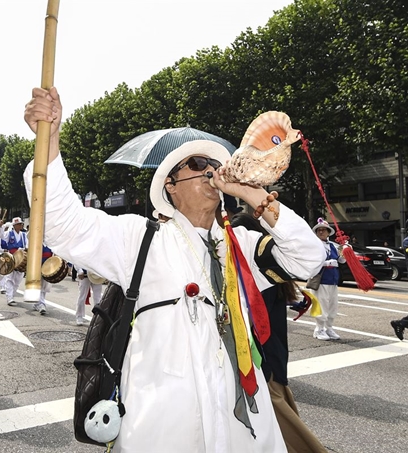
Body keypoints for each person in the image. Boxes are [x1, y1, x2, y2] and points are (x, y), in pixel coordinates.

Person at [23, 87, 326, 452]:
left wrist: (250, 192)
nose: (212, 171)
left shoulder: (241, 244)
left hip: (241, 424)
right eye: (198, 165)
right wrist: (51, 138)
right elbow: (64, 224)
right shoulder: (142, 238)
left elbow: (308, 257)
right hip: (162, 422)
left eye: (215, 166)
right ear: (171, 186)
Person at [231, 212, 327, 452]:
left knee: (285, 432)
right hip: (273, 356)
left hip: (264, 363)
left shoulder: (256, 274)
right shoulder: (269, 270)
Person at [311, 218, 346, 341]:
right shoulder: (314, 245)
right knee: (322, 305)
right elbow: (311, 262)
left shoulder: (332, 246)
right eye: (319, 230)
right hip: (321, 280)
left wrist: (345, 254)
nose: (321, 232)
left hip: (333, 280)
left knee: (332, 306)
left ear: (328, 232)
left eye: (323, 230)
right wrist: (326, 263)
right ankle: (319, 329)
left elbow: (340, 260)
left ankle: (329, 328)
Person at [0, 217, 27, 306]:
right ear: (14, 226)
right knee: (9, 279)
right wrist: (1, 227)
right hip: (11, 258)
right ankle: (9, 298)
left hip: (20, 259)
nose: (19, 226)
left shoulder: (24, 235)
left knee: (18, 280)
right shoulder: (9, 233)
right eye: (17, 224)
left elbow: (27, 246)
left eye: (20, 224)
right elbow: (2, 237)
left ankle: (12, 295)